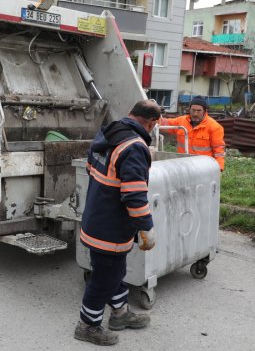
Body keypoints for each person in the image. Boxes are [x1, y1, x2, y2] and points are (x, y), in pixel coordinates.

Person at [75, 99, 161, 346]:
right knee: (104, 278)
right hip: (111, 228)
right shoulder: (134, 147)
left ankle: (120, 315)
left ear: (130, 114)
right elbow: (134, 195)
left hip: (96, 218)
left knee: (115, 272)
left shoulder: (109, 132)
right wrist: (146, 227)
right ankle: (87, 326)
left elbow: (92, 168)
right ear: (152, 123)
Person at [159, 96, 225, 171]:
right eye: (193, 110)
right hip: (183, 165)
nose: (195, 113)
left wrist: (219, 167)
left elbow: (219, 150)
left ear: (205, 111)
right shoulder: (181, 121)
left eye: (199, 111)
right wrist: (154, 115)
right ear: (189, 109)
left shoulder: (214, 127)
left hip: (203, 167)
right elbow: (164, 124)